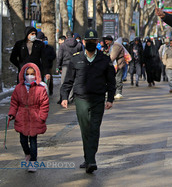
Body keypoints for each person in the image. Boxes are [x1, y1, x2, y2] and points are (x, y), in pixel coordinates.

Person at [60, 29, 116, 174]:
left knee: (94, 129)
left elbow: (111, 81)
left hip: (98, 98)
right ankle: (88, 157)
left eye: (93, 42)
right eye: (88, 42)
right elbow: (68, 80)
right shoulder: (76, 58)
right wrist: (64, 96)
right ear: (83, 42)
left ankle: (91, 160)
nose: (90, 44)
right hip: (81, 99)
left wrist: (110, 98)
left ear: (97, 42)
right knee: (85, 129)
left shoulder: (104, 59)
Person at [8, 63, 49, 172]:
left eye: (32, 74)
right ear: (23, 74)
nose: (29, 76)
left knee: (33, 141)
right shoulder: (18, 88)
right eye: (27, 74)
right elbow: (14, 102)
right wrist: (12, 113)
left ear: (36, 75)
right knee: (23, 140)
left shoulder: (40, 89)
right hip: (22, 117)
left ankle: (33, 162)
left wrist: (42, 117)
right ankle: (27, 153)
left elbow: (44, 104)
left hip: (35, 117)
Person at [57, 31, 83, 105]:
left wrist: (58, 66)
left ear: (66, 36)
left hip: (65, 64)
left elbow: (60, 56)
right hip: (75, 64)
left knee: (64, 82)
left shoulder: (63, 45)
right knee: (73, 81)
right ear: (73, 35)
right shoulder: (78, 45)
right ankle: (70, 98)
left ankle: (63, 98)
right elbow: (81, 55)